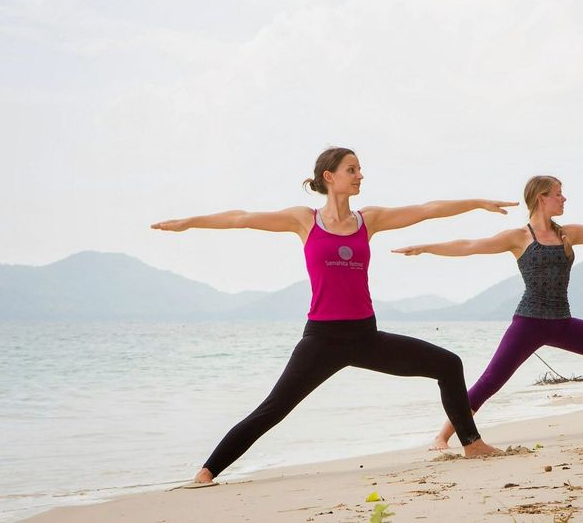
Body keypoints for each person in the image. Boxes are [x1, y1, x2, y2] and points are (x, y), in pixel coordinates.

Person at [151, 147, 515, 485]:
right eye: (351, 170)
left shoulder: (368, 220)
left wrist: (477, 203)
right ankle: (206, 473)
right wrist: (189, 222)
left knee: (448, 364)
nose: (359, 176)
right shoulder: (304, 220)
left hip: (366, 336)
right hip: (322, 340)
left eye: (359, 170)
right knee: (273, 409)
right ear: (329, 176)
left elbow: (427, 209)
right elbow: (241, 219)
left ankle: (472, 444)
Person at [393, 175, 583, 450]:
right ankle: (443, 435)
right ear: (541, 198)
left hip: (562, 322)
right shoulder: (519, 237)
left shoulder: (568, 234)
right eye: (558, 194)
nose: (564, 199)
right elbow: (469, 246)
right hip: (529, 323)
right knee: (491, 380)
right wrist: (427, 248)